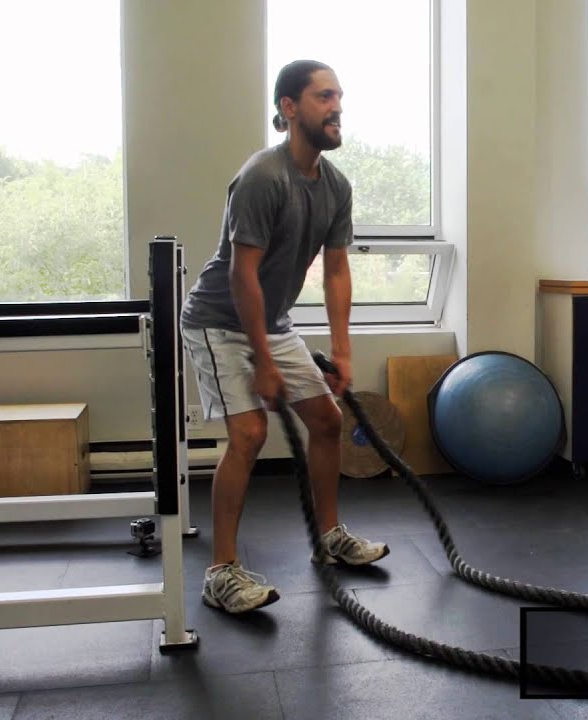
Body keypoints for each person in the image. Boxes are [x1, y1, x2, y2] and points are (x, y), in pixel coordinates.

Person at [179, 59, 389, 615]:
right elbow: (239, 273)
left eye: (339, 96)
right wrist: (263, 365)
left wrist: (342, 349)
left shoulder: (336, 186)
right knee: (248, 434)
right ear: (289, 108)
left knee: (327, 420)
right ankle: (220, 571)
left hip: (273, 323)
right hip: (218, 321)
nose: (337, 106)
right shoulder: (262, 177)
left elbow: (337, 269)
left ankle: (329, 535)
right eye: (324, 97)